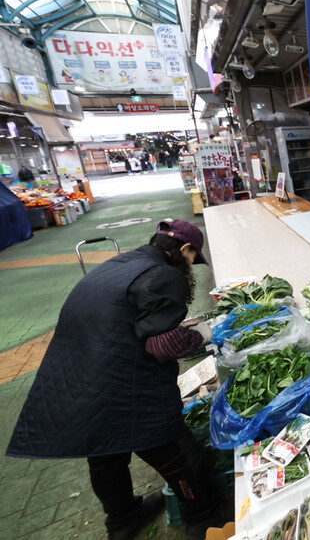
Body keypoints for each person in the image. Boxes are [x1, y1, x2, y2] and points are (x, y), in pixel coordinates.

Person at [6, 219, 222, 540]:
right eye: (193, 259)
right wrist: (203, 334)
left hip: (77, 375)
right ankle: (201, 516)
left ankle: (122, 521)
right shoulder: (166, 275)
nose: (191, 267)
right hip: (123, 380)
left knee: (106, 453)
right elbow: (161, 345)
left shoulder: (120, 263)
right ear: (185, 250)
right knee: (176, 450)